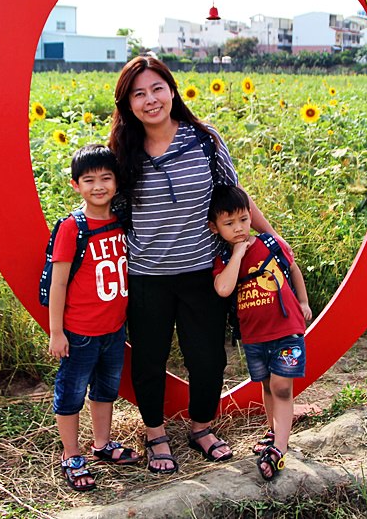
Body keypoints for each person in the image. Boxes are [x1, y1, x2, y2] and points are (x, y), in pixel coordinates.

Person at [108, 55, 279, 473]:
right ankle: (154, 434)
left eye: (157, 89)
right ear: (128, 103)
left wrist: (272, 238)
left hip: (203, 271)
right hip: (146, 276)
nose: (151, 100)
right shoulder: (122, 150)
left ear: (172, 90)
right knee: (148, 359)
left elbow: (234, 196)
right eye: (139, 93)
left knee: (207, 359)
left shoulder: (204, 140)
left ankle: (201, 427)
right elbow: (106, 205)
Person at [47, 143, 140, 492]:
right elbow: (58, 282)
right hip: (80, 333)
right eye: (89, 180)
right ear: (75, 185)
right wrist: (57, 331)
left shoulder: (120, 222)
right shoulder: (73, 227)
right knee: (70, 394)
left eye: (106, 178)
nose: (98, 186)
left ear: (116, 182)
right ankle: (71, 454)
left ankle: (102, 444)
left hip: (114, 331)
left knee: (105, 391)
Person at [207, 183, 313, 481]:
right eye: (229, 224)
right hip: (255, 336)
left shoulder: (270, 244)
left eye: (243, 219)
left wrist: (303, 302)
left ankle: (279, 448)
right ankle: (273, 431)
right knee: (266, 386)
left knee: (282, 386)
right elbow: (223, 288)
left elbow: (293, 269)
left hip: (286, 327)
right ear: (214, 228)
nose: (239, 228)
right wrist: (238, 254)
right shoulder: (225, 260)